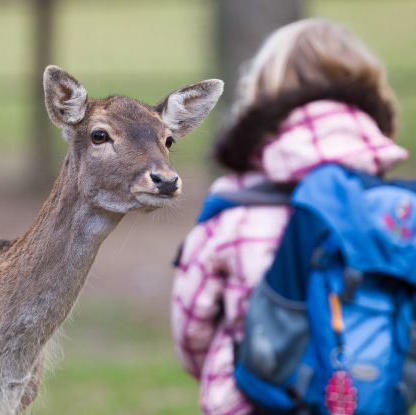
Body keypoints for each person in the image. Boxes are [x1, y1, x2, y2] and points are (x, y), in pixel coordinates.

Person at [171, 18, 409, 415]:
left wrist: (227, 371)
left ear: (263, 91)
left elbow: (190, 330)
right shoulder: (391, 213)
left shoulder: (234, 209)